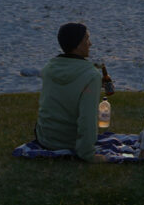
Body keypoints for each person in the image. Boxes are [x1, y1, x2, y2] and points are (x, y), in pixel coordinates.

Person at [35, 22, 106, 162]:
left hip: (45, 139)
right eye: (87, 39)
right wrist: (88, 154)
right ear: (78, 44)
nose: (90, 44)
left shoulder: (49, 68)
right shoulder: (91, 75)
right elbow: (87, 119)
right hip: (70, 142)